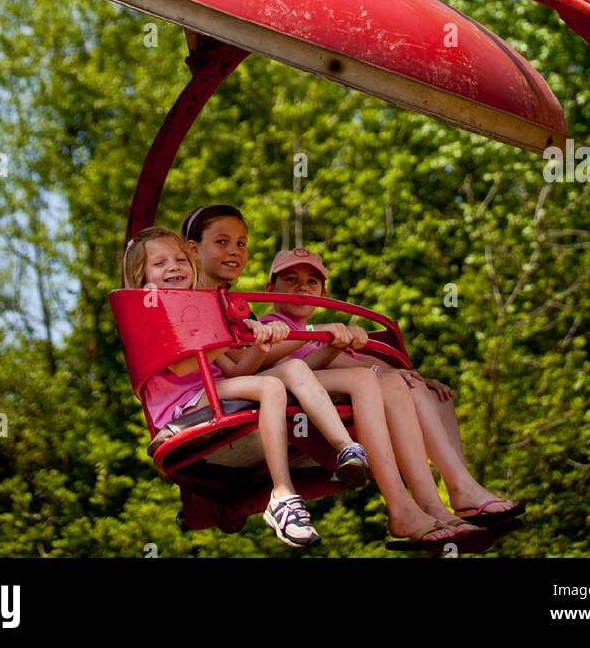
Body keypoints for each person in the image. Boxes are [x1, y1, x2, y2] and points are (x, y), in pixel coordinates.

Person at [181, 206, 494, 551]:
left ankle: (427, 503)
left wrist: (330, 344)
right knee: (367, 378)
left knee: (378, 380)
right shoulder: (194, 303)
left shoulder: (237, 308)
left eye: (240, 243)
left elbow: (249, 361)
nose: (234, 251)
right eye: (222, 242)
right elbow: (248, 364)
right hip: (222, 397)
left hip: (272, 380)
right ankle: (402, 498)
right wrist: (310, 333)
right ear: (193, 249)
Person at [123, 226, 369, 549]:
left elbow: (237, 368)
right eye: (160, 263)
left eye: (180, 259)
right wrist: (229, 337)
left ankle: (345, 448)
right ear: (140, 277)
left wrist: (258, 344)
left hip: (212, 391)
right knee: (269, 387)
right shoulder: (149, 311)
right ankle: (282, 494)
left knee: (291, 367)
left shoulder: (200, 310)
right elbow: (183, 364)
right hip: (182, 406)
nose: (173, 267)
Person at [259, 247, 525, 530]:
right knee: (391, 382)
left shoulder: (322, 331)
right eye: (290, 279)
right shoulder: (274, 326)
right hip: (314, 397)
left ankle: (460, 488)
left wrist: (407, 374)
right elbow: (292, 370)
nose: (302, 287)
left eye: (312, 282)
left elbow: (360, 359)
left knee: (431, 392)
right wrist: (359, 360)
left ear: (323, 294)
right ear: (270, 288)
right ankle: (428, 505)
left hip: (346, 385)